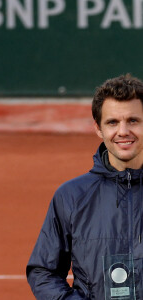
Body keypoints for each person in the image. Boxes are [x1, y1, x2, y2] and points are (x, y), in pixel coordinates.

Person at [26, 74, 143, 299]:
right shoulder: (71, 196)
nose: (123, 131)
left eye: (133, 120)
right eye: (112, 122)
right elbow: (43, 271)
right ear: (98, 128)